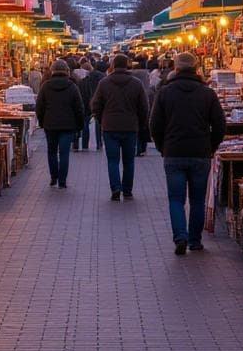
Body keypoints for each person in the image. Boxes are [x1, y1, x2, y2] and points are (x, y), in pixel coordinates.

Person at [150, 51, 226, 256]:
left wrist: (162, 146)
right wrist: (211, 146)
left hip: (173, 153)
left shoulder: (165, 92)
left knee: (176, 199)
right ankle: (195, 240)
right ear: (196, 68)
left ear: (175, 68)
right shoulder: (207, 93)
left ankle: (180, 237)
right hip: (200, 153)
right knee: (197, 200)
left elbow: (155, 124)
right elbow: (219, 125)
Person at [91, 53, 149, 201]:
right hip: (130, 127)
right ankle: (127, 190)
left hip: (110, 127)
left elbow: (95, 105)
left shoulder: (104, 83)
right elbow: (144, 107)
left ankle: (116, 188)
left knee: (112, 160)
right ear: (127, 65)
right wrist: (141, 123)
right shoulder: (136, 83)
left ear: (113, 65)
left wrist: (101, 119)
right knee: (129, 161)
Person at [35, 58, 84, 188]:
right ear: (66, 71)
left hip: (50, 124)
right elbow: (79, 108)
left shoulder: (46, 86)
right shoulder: (72, 87)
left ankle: (53, 177)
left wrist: (41, 121)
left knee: (51, 151)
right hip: (68, 125)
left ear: (52, 71)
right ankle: (62, 180)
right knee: (64, 153)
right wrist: (79, 125)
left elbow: (39, 106)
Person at [80, 60, 106, 150]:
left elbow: (83, 91)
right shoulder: (101, 76)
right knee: (98, 123)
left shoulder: (84, 79)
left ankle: (85, 144)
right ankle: (99, 143)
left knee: (85, 123)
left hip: (87, 101)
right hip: (99, 101)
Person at [132, 56, 152, 155]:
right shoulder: (147, 73)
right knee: (143, 126)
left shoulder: (132, 74)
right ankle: (142, 148)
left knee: (136, 127)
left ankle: (137, 147)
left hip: (134, 101)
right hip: (146, 99)